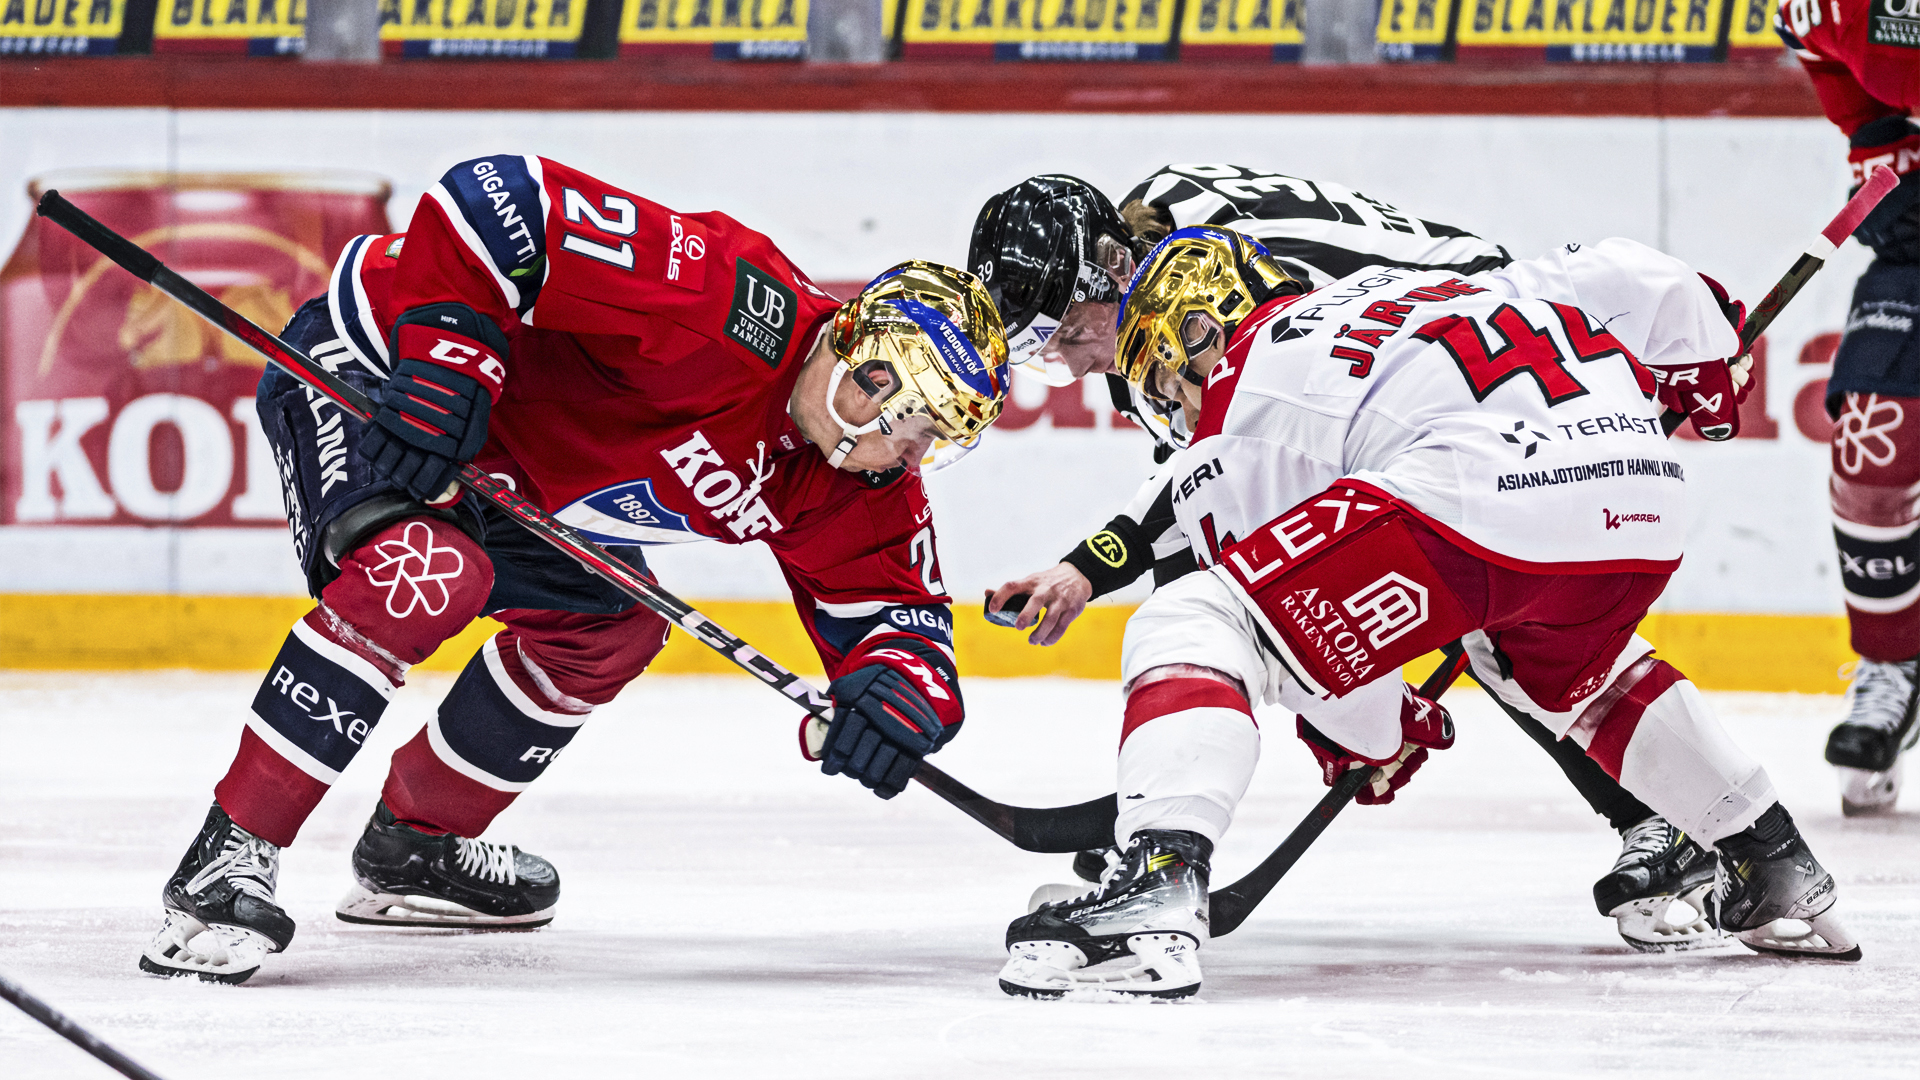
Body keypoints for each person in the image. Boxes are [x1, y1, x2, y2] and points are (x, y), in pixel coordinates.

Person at [138, 154, 1009, 984]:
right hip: (373, 375)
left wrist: (901, 698)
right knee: (428, 571)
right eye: (913, 420)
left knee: (616, 625)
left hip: (507, 476)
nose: (909, 451)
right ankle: (230, 854)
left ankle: (418, 845)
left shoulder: (862, 483)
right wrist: (448, 358)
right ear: (870, 368)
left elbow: (905, 622)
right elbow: (493, 198)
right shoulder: (727, 302)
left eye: (938, 437)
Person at [995, 226, 1858, 999]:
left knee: (1188, 619)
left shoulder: (1237, 408)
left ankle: (1157, 881)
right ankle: (1774, 859)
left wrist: (1378, 728)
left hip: (1485, 504)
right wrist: (1705, 351)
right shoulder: (1419, 287)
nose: (1175, 406)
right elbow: (1632, 274)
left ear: (1198, 335)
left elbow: (1317, 662)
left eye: (1161, 377)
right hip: (1640, 499)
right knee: (1562, 677)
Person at [1777, 0, 1920, 815]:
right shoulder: (1825, 8)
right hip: (1915, 253)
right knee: (1873, 444)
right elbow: (1814, 46)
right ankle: (1891, 666)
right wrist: (1878, 141)